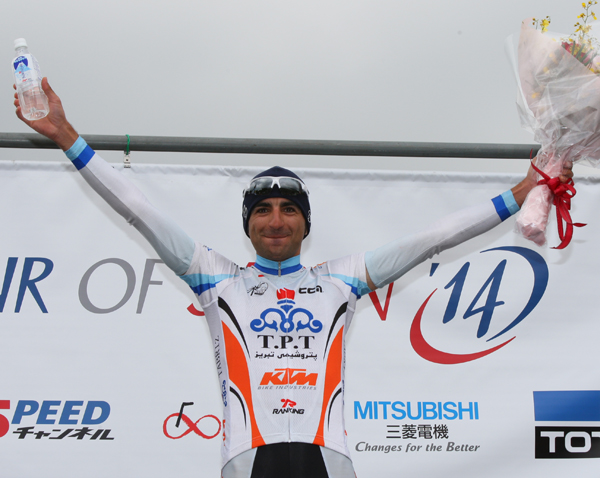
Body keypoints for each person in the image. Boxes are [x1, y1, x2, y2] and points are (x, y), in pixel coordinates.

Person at [14, 79, 573, 478]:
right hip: (247, 459)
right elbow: (139, 209)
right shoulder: (215, 278)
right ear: (248, 225)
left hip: (327, 459)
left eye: (288, 210)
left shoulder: (342, 279)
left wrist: (521, 193)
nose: (275, 220)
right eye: (262, 210)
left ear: (306, 223)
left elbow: (435, 237)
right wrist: (67, 136)